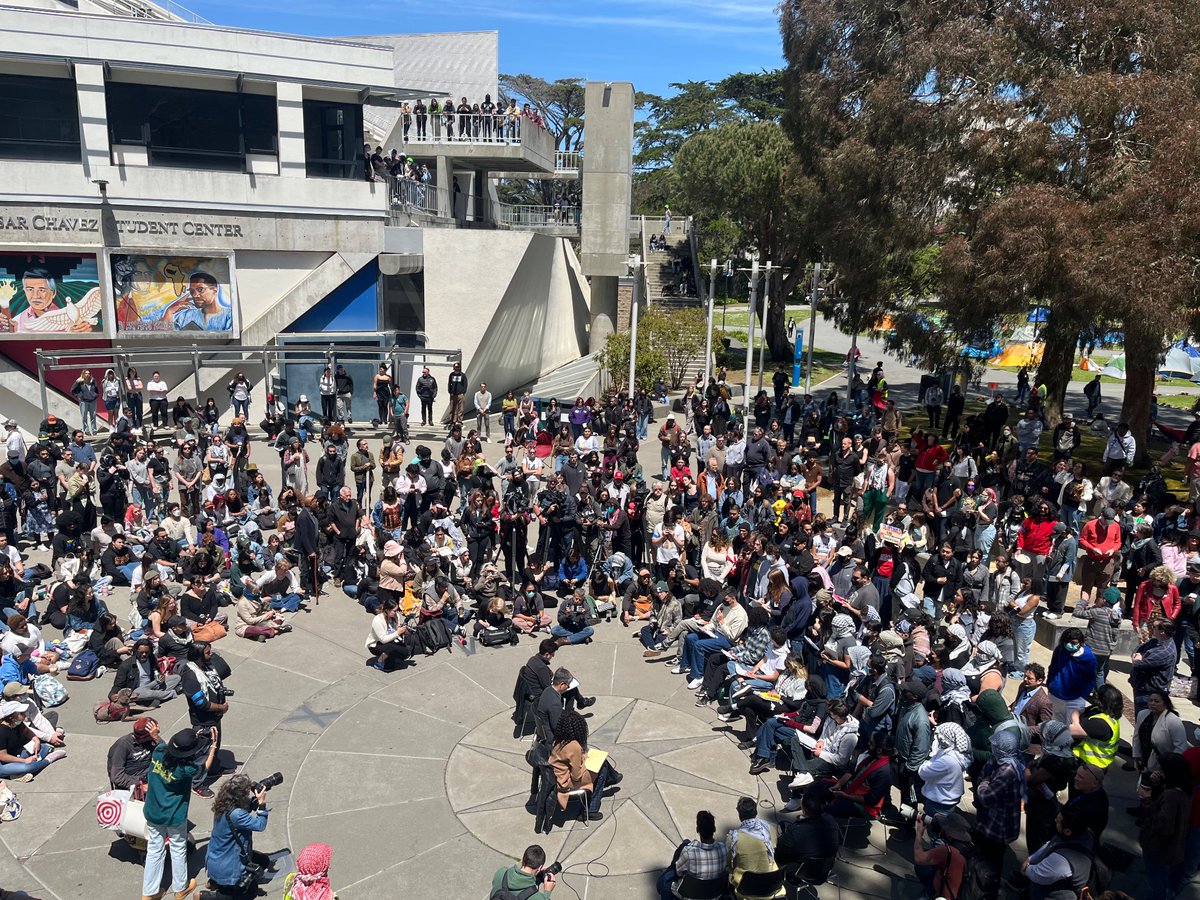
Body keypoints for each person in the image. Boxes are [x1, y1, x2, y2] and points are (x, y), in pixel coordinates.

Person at [142, 727, 216, 900]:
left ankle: (149, 893)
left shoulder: (158, 752)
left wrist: (156, 736)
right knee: (177, 848)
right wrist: (213, 746)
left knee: (154, 850)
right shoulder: (186, 769)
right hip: (174, 815)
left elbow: (163, 745)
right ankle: (180, 888)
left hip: (153, 810)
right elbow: (204, 768)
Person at [547, 709, 622, 823]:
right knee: (602, 769)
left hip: (558, 776)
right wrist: (586, 761)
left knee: (601, 762)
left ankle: (613, 778)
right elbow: (576, 775)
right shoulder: (573, 746)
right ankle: (591, 809)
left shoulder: (557, 739)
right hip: (567, 781)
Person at [1139, 753, 1194, 900]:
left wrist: (1147, 800)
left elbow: (1164, 825)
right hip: (1170, 850)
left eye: (1162, 769)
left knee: (1155, 884)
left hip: (1159, 850)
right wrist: (1159, 783)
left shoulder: (1171, 796)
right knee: (1161, 879)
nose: (1158, 771)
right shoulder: (1185, 790)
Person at [205, 774, 272, 894]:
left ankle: (215, 882)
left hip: (216, 857)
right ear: (240, 796)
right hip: (227, 864)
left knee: (263, 861)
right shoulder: (237, 815)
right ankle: (206, 896)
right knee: (250, 893)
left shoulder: (223, 804)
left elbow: (246, 807)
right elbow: (260, 825)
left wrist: (255, 798)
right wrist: (261, 804)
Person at [657, 809, 730, 899]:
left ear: (697, 830)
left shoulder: (689, 852)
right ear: (714, 829)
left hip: (690, 895)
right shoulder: (724, 849)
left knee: (664, 881)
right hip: (713, 895)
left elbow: (678, 872)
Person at [725, 795, 781, 897]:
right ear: (755, 812)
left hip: (746, 889)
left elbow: (729, 865)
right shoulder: (772, 828)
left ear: (739, 815)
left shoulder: (733, 839)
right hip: (770, 885)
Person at [107, 716, 159, 791]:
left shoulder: (152, 739)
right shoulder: (122, 746)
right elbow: (117, 777)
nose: (156, 734)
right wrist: (139, 784)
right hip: (133, 783)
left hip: (150, 775)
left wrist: (157, 738)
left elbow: (166, 755)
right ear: (147, 736)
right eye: (155, 732)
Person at [490, 844, 556, 899]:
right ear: (540, 868)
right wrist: (547, 892)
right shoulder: (536, 897)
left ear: (522, 859)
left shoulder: (501, 873)